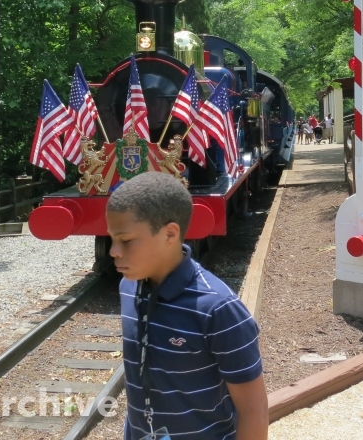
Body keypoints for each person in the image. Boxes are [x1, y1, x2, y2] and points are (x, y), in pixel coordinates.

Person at [106, 172, 268, 439]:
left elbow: (254, 411)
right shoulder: (128, 288)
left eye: (126, 240)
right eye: (112, 239)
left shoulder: (218, 309)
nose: (114, 251)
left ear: (170, 234)